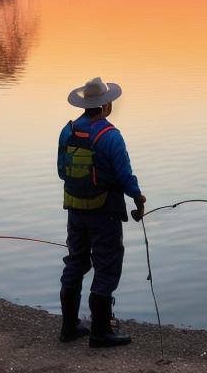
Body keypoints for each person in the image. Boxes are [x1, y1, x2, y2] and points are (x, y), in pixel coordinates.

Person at [57, 77, 146, 348]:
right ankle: (100, 332)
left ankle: (69, 327)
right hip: (104, 211)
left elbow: (62, 171)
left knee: (76, 261)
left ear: (85, 105)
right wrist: (138, 198)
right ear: (105, 105)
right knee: (107, 266)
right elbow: (124, 175)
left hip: (74, 209)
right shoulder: (110, 136)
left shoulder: (68, 130)